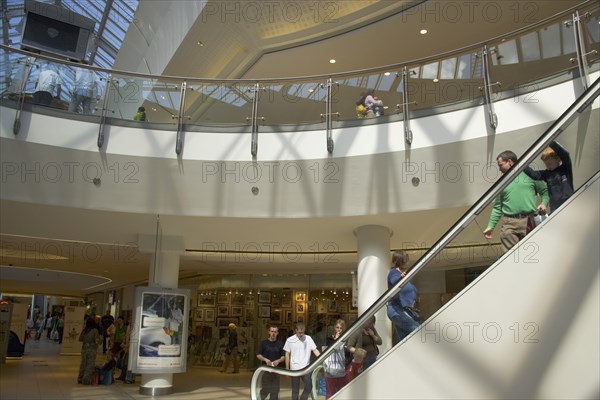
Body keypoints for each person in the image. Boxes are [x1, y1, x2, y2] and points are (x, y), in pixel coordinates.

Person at [483, 150, 549, 252]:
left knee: (533, 252)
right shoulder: (501, 182)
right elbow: (497, 207)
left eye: (500, 165)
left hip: (529, 220)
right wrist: (490, 227)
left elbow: (545, 192)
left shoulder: (530, 175)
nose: (499, 169)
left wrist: (544, 203)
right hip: (509, 224)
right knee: (511, 256)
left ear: (509, 162)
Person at [524, 141, 573, 213]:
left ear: (558, 160)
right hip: (555, 206)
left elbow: (565, 155)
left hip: (568, 202)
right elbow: (533, 175)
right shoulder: (547, 174)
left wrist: (551, 142)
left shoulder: (565, 168)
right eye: (546, 164)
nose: (548, 166)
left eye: (550, 163)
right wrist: (523, 166)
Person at [387, 250, 420, 343]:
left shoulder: (402, 274)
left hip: (404, 310)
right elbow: (395, 282)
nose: (408, 262)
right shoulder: (394, 272)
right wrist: (401, 278)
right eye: (406, 260)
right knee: (417, 329)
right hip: (397, 310)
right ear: (401, 261)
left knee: (404, 339)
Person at [284, 322, 321, 400]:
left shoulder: (308, 338)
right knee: (295, 390)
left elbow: (315, 350)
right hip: (294, 368)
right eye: (299, 332)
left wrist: (322, 358)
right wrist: (287, 368)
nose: (301, 334)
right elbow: (287, 354)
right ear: (295, 330)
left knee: (309, 387)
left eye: (302, 332)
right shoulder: (290, 340)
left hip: (305, 368)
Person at [256, 324, 285, 400]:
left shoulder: (280, 344)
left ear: (277, 333)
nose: (273, 333)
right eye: (272, 331)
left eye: (275, 332)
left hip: (276, 370)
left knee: (275, 392)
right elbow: (258, 355)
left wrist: (278, 361)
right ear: (269, 332)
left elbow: (283, 356)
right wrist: (265, 359)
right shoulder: (263, 343)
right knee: (265, 389)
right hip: (265, 370)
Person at [324, 319, 348, 399]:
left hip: (342, 368)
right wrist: (336, 340)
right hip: (331, 369)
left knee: (342, 390)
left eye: (341, 328)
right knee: (330, 392)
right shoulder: (329, 338)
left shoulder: (346, 338)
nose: (339, 330)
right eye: (337, 327)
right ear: (334, 328)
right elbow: (329, 349)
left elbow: (347, 353)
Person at [77, 317, 101, 385]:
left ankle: (80, 378)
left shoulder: (84, 330)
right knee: (90, 364)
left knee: (83, 363)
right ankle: (86, 380)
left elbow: (80, 339)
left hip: (84, 348)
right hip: (92, 349)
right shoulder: (95, 330)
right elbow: (97, 341)